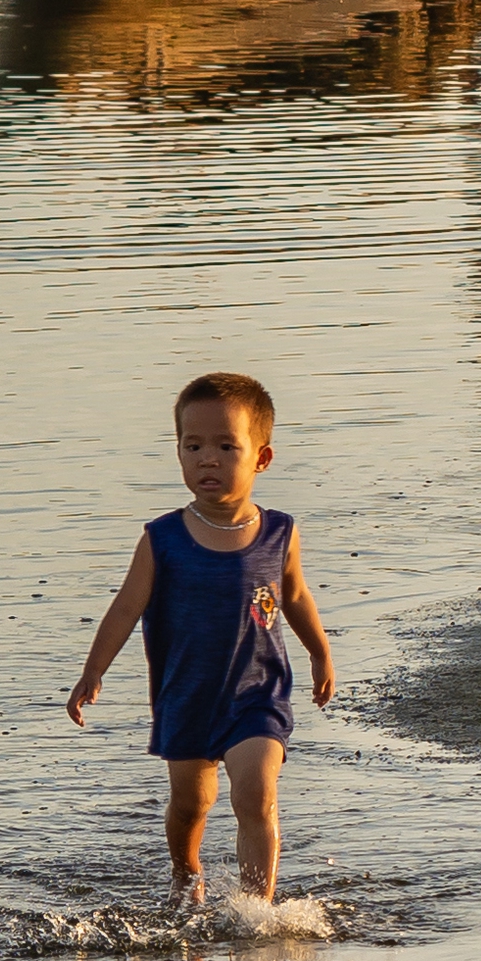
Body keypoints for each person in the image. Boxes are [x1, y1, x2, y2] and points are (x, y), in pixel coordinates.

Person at [67, 373, 335, 925]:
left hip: (256, 697)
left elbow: (297, 596)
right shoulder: (162, 539)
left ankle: (256, 913)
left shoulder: (279, 533)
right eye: (193, 447)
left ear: (261, 458)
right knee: (192, 805)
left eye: (224, 446)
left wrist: (319, 653)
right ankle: (186, 876)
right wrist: (93, 673)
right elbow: (124, 608)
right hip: (186, 696)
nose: (206, 459)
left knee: (256, 795)